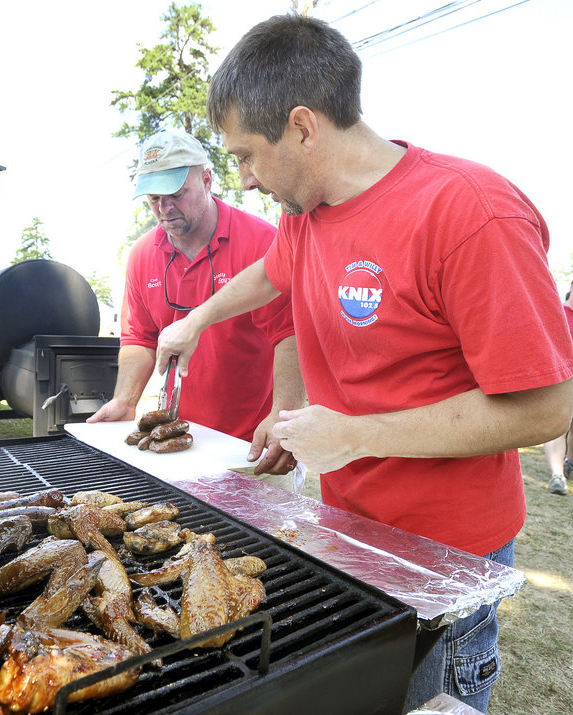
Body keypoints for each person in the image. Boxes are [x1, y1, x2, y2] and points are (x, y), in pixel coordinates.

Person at [155, 14, 573, 714]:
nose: (246, 181)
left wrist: (356, 434)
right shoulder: (306, 210)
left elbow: (546, 407)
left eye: (247, 155)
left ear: (303, 128)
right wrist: (196, 320)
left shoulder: (469, 212)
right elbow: (271, 275)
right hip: (349, 531)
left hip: (447, 560)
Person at [87, 128, 305, 477]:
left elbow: (290, 334)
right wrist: (125, 401)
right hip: (179, 442)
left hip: (250, 445)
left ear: (207, 180)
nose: (165, 209)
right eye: (154, 199)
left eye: (176, 194)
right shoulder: (143, 255)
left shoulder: (261, 241)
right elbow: (139, 338)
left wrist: (281, 413)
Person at [544, 281, 573, 495]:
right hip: (560, 379)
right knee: (557, 426)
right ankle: (558, 475)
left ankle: (568, 462)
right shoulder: (557, 312)